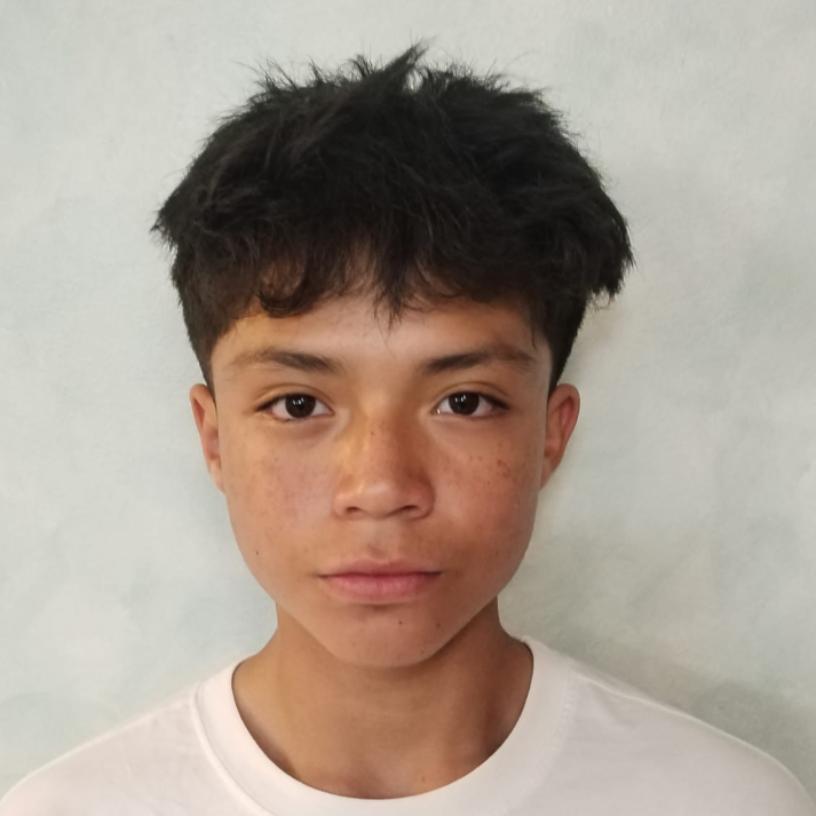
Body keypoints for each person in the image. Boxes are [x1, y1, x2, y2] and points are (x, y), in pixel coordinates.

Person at [2, 43, 814, 815]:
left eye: (465, 402)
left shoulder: (724, 801)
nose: (381, 486)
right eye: (298, 405)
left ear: (550, 433)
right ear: (214, 439)